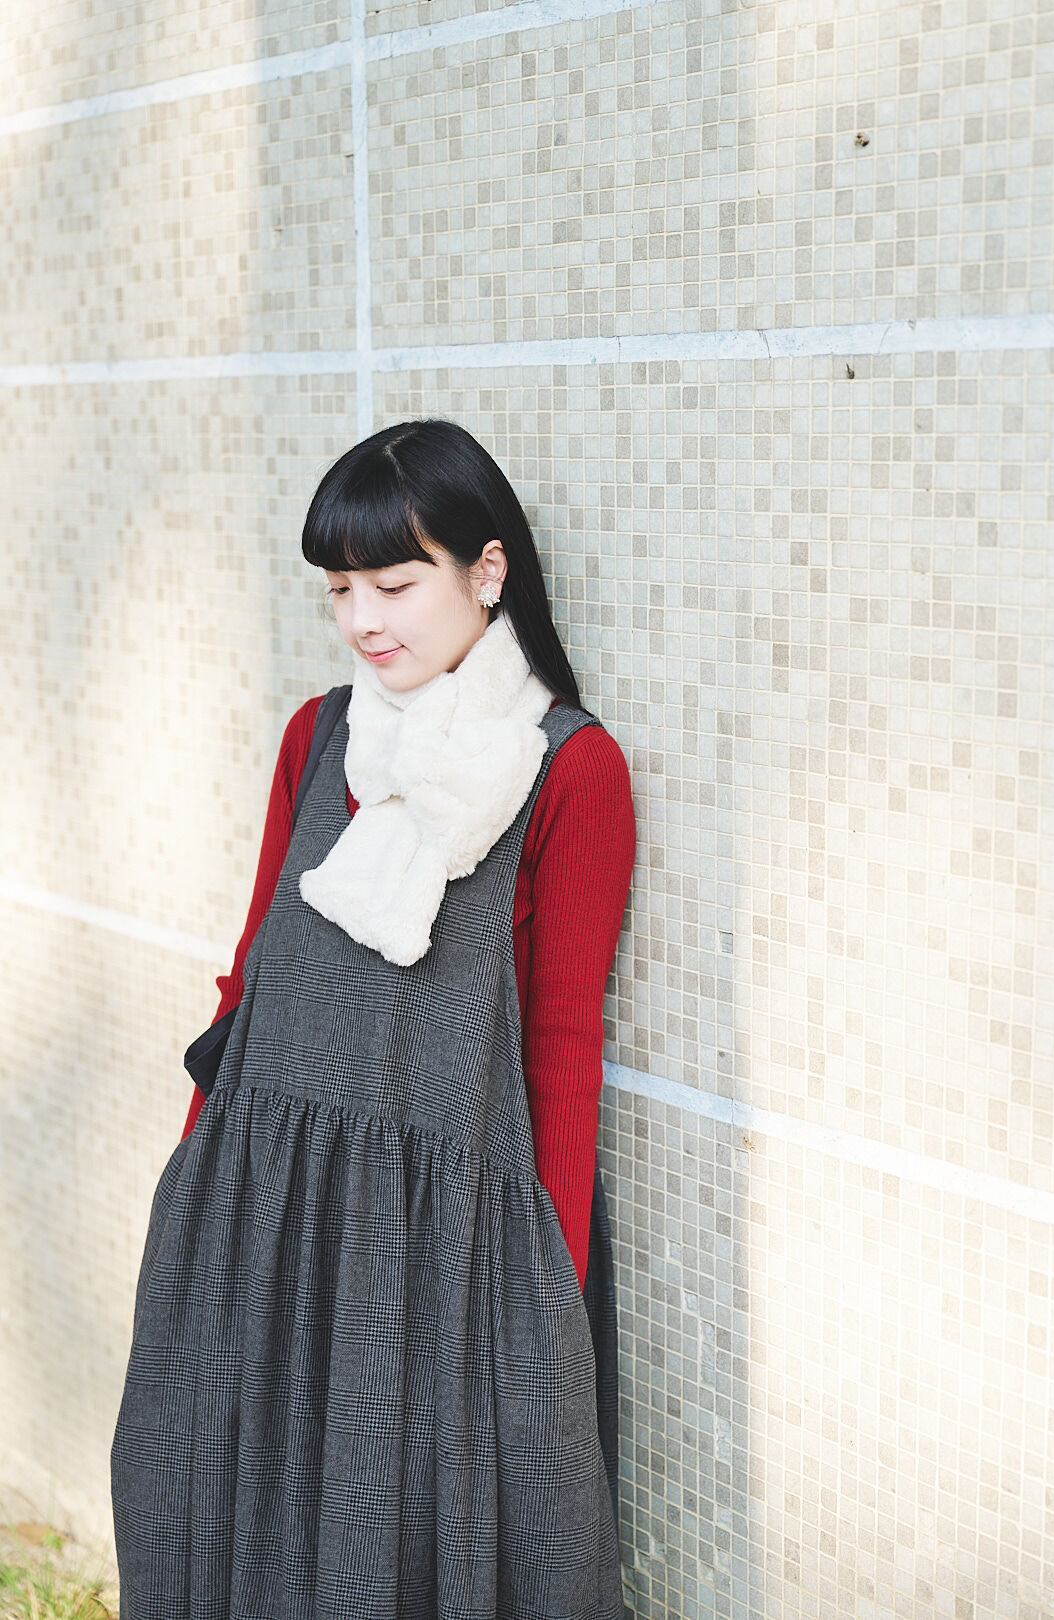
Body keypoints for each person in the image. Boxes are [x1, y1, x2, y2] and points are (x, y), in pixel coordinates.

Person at [110, 418, 636, 1619]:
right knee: (205, 1498)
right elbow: (250, 977)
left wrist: (544, 1296)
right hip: (262, 1200)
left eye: (394, 585)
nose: (362, 621)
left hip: (438, 1237)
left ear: (487, 572)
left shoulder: (570, 771)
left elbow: (563, 1053)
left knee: (406, 1546)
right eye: (340, 590)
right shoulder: (321, 735)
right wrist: (198, 1181)